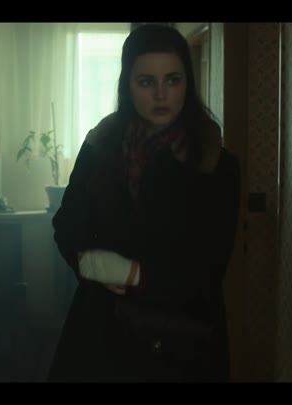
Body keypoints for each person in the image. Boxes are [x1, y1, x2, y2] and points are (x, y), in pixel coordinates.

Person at [47, 24, 241, 382]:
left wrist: (135, 274)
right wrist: (92, 266)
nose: (161, 94)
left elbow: (210, 265)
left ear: (188, 83)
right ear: (127, 85)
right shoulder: (100, 148)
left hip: (181, 341)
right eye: (146, 81)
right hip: (100, 332)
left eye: (173, 80)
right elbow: (67, 225)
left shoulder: (216, 164)